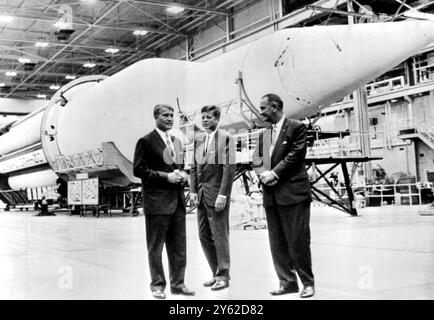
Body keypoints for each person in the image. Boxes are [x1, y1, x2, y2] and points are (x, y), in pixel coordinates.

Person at [252, 93, 315, 298]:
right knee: (277, 243)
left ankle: (307, 283)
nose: (261, 112)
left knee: (298, 241)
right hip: (271, 195)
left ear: (275, 107)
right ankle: (287, 282)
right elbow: (257, 159)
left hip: (293, 194)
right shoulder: (263, 135)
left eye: (263, 108)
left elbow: (296, 155)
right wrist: (263, 174)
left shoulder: (297, 127)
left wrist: (275, 173)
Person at [133, 104, 195, 300]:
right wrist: (166, 177)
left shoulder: (176, 141)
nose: (170, 119)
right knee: (156, 247)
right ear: (156, 117)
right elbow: (139, 170)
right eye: (165, 115)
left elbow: (179, 166)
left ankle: (178, 284)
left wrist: (182, 174)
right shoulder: (146, 141)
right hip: (157, 202)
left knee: (179, 247)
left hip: (177, 202)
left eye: (171, 116)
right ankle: (158, 285)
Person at [190, 105, 236, 291]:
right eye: (203, 117)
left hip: (217, 195)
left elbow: (229, 167)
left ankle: (224, 275)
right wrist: (192, 190)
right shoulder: (199, 139)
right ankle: (215, 271)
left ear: (217, 119)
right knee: (203, 235)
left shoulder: (226, 138)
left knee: (219, 235)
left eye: (209, 117)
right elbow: (193, 167)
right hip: (200, 195)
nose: (205, 120)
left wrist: (223, 194)